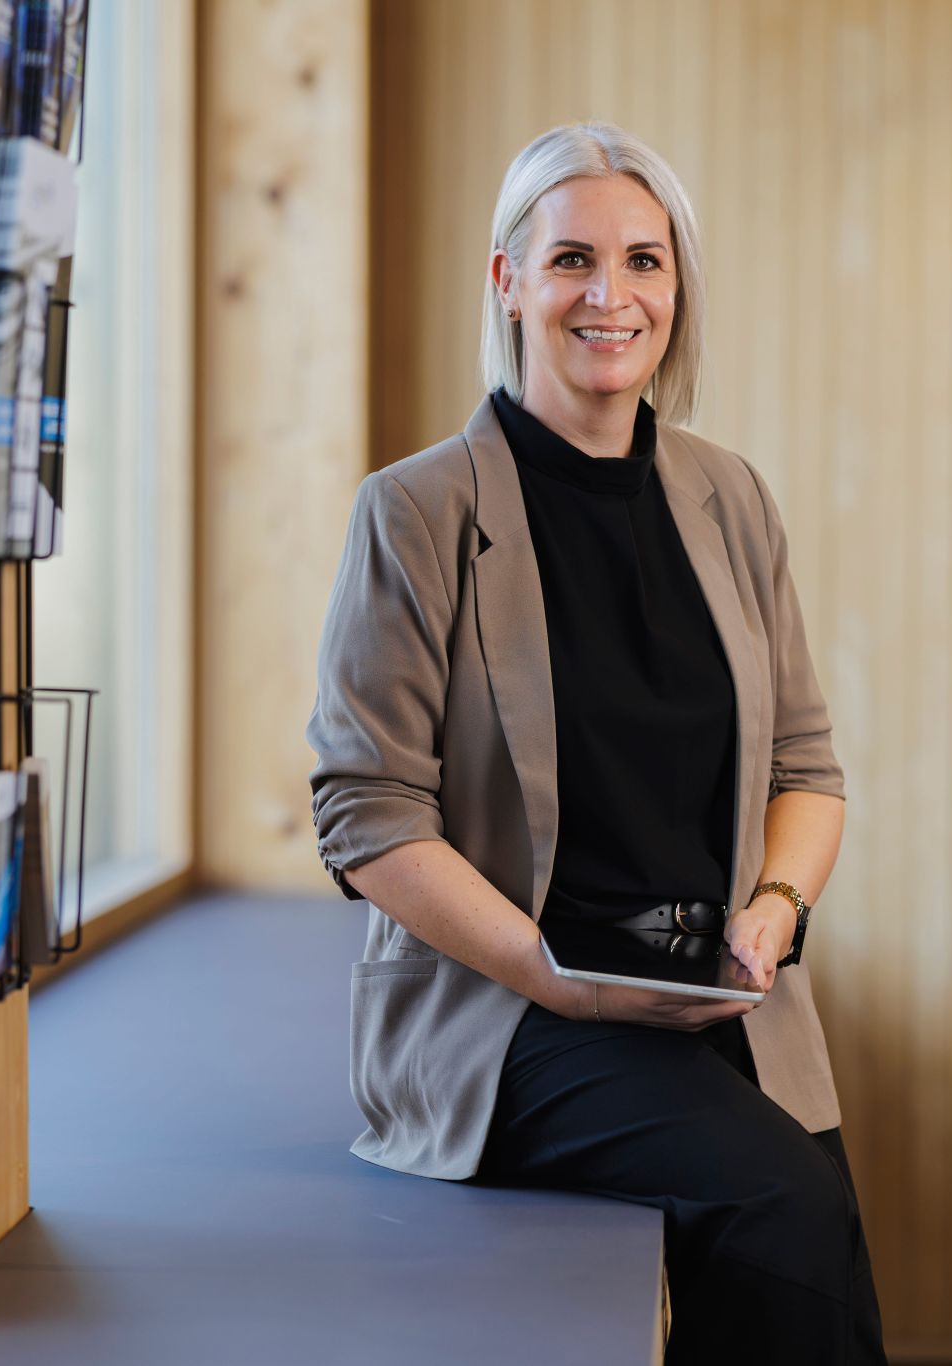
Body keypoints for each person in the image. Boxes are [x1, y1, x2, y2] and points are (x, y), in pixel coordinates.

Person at [304, 120, 886, 1363]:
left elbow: (805, 771)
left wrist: (775, 907)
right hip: (511, 1011)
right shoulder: (414, 511)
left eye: (643, 260)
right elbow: (367, 816)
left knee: (815, 1230)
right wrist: (549, 972)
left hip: (716, 988)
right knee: (779, 1204)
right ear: (506, 280)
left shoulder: (729, 497)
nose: (609, 295)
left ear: (676, 289)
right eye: (570, 259)